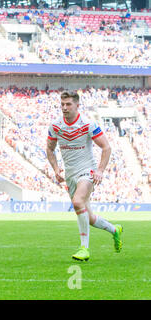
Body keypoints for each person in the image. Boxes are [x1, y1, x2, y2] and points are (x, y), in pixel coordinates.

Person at [46, 91, 123, 261]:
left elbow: (106, 147)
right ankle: (114, 230)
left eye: (68, 104)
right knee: (89, 218)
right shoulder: (55, 126)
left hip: (87, 172)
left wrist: (100, 170)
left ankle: (84, 249)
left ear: (77, 105)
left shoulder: (88, 124)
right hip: (71, 175)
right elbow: (50, 149)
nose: (64, 108)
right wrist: (56, 168)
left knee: (77, 202)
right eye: (62, 104)